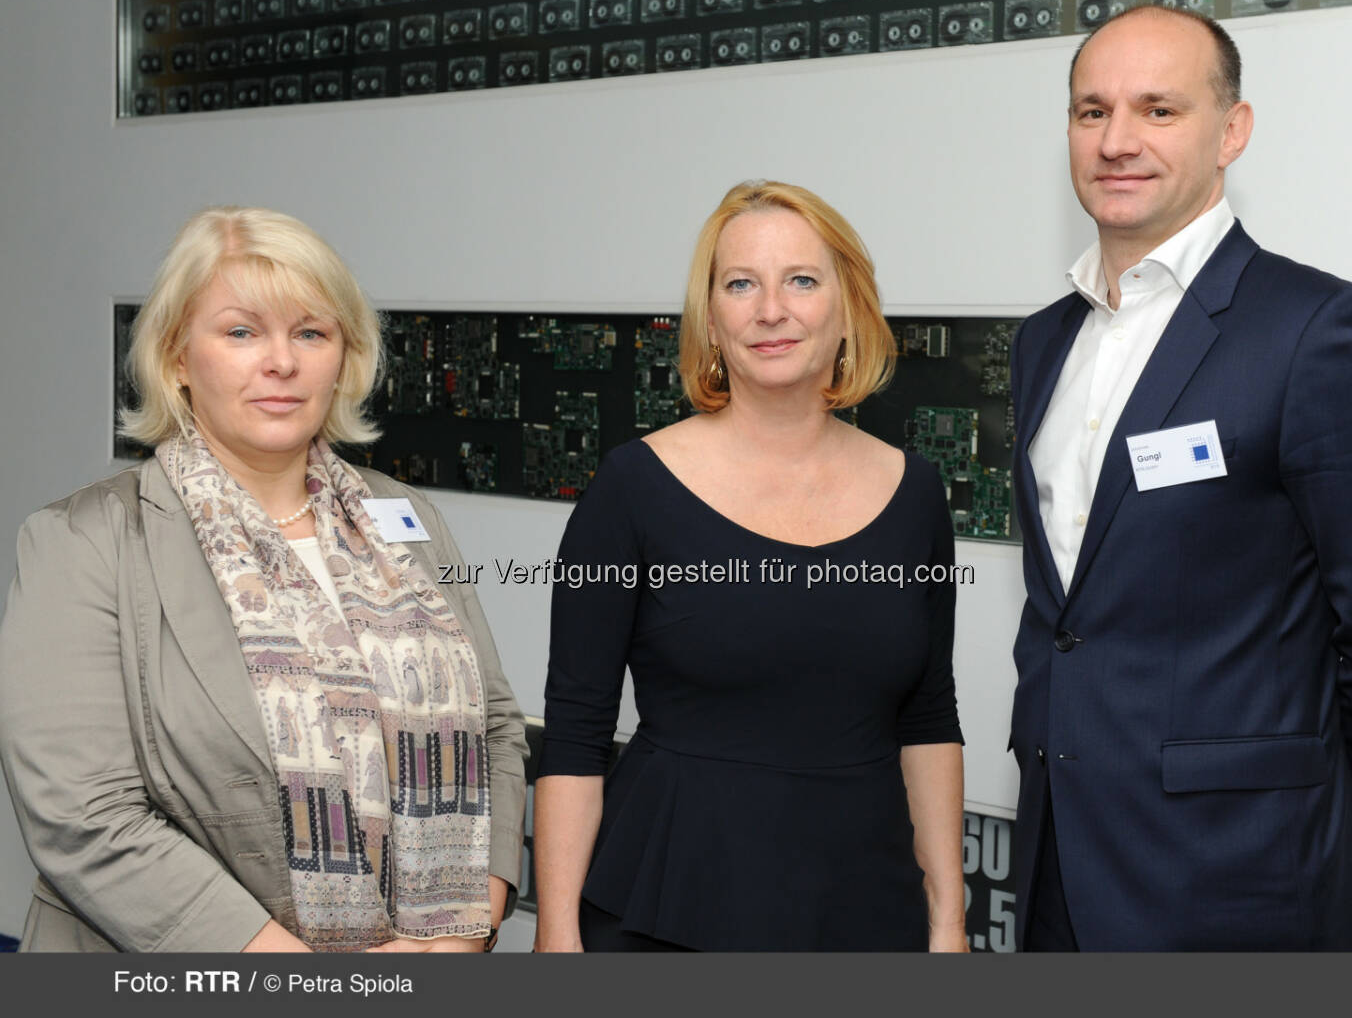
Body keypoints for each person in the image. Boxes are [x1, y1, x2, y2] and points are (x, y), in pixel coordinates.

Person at [1007, 5, 1352, 951]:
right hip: (1056, 862)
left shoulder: (1319, 330)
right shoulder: (1043, 341)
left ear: (1230, 132)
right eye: (1092, 112)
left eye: (1159, 110)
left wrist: (1323, 810)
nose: (1117, 140)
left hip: (1238, 877)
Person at [0, 206, 528, 952]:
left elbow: (496, 728)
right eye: (241, 332)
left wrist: (462, 936)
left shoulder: (404, 516)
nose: (281, 362)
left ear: (342, 356)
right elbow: (85, 817)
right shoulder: (83, 543)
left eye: (310, 332)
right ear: (178, 357)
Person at [532, 181, 967, 952]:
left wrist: (949, 919)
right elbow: (575, 734)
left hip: (866, 907)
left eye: (801, 279)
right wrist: (557, 939)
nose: (772, 310)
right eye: (741, 284)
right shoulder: (631, 487)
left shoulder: (917, 492)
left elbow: (929, 719)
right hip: (667, 908)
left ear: (848, 306)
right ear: (711, 318)